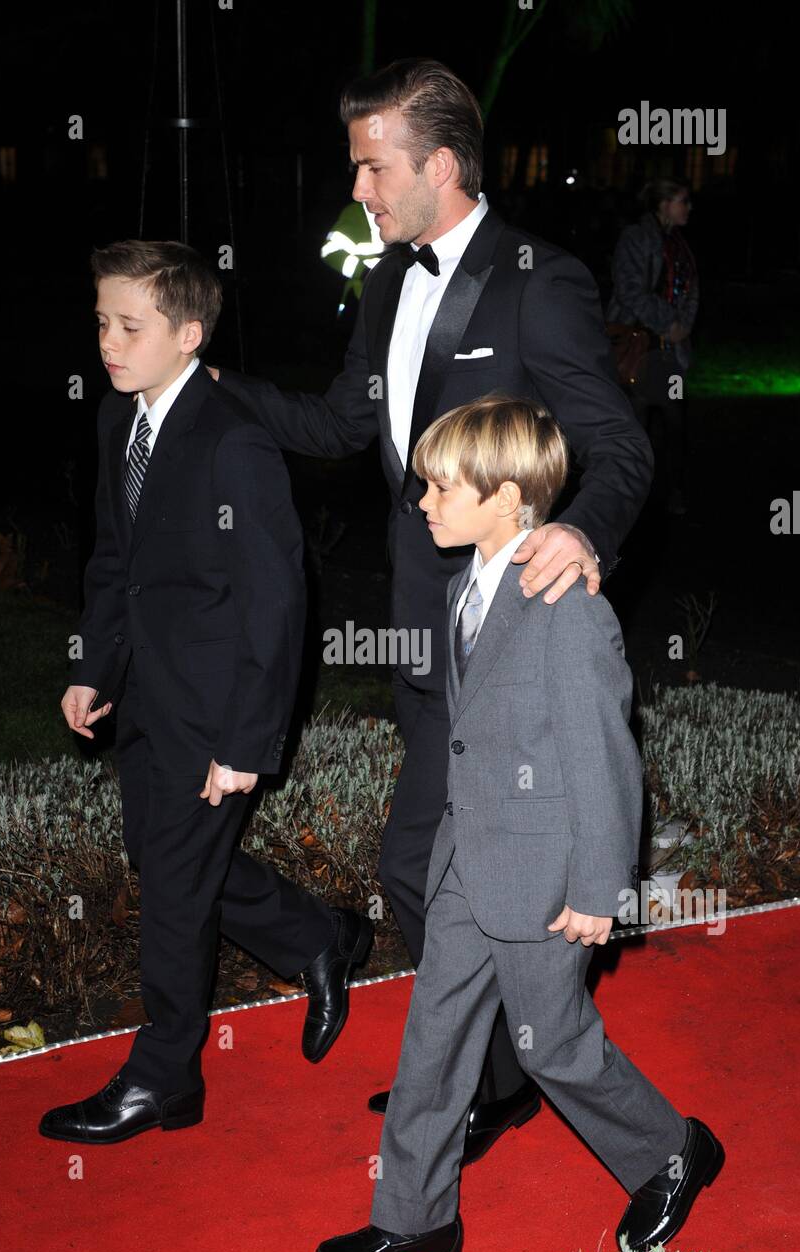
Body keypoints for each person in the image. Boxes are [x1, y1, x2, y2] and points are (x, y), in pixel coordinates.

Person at [207, 57, 655, 1166]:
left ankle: (516, 1077)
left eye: (372, 166)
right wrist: (211, 389)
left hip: (517, 629)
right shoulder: (386, 285)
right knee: (426, 871)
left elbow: (618, 444)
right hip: (425, 631)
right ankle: (494, 1079)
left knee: (432, 866)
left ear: (439, 166)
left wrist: (580, 529)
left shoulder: (535, 280)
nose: (357, 187)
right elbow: (332, 426)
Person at [314, 394, 724, 1252]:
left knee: (554, 1044)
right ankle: (416, 1215)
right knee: (433, 1035)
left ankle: (671, 1150)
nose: (421, 503)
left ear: (505, 497)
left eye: (439, 488)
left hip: (544, 871)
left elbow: (605, 758)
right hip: (470, 857)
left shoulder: (566, 605)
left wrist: (597, 890)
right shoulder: (470, 581)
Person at [40, 240, 373, 1146]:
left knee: (176, 892)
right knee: (164, 858)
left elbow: (278, 603)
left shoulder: (234, 440)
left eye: (131, 326)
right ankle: (318, 938)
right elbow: (116, 561)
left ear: (189, 335)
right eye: (102, 321)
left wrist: (245, 744)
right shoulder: (121, 421)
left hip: (220, 707)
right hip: (146, 691)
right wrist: (92, 664)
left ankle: (164, 1078)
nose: (109, 342)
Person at [606, 179, 699, 515]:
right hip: (640, 347)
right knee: (637, 425)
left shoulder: (679, 245)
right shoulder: (637, 238)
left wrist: (682, 326)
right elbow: (630, 289)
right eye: (682, 200)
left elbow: (690, 290)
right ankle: (632, 500)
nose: (688, 207)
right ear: (663, 204)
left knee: (675, 421)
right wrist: (668, 322)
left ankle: (671, 491)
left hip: (668, 353)